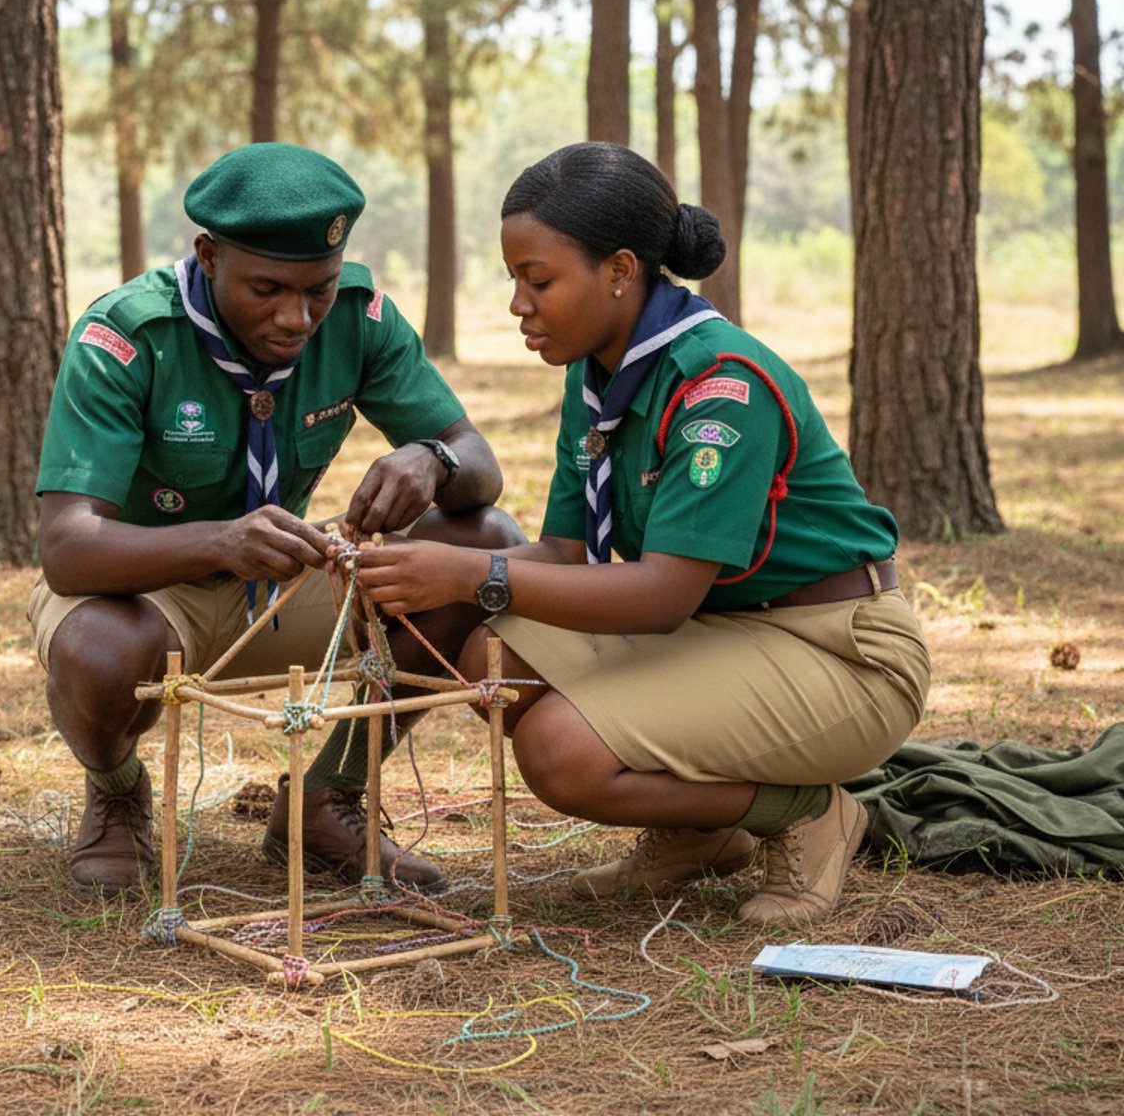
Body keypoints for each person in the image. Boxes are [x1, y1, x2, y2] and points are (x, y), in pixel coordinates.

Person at [353, 142, 930, 922]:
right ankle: (700, 830)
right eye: (514, 279)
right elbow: (562, 553)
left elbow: (660, 594)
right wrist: (413, 570)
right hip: (725, 630)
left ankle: (802, 812)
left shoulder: (720, 384)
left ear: (621, 271)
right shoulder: (598, 373)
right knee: (496, 658)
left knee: (560, 752)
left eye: (539, 280)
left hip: (837, 649)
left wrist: (471, 576)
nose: (518, 305)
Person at [32, 142, 524, 898]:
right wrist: (222, 540)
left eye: (317, 290)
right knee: (98, 651)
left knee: (485, 547)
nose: (296, 317)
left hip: (287, 581)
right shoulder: (129, 336)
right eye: (267, 287)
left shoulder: (359, 319)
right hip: (142, 592)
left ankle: (326, 799)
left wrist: (433, 459)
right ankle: (119, 791)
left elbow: (476, 462)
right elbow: (67, 549)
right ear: (207, 256)